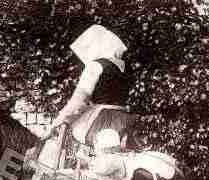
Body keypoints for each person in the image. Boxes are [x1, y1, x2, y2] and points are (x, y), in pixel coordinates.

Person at [40, 24, 138, 168]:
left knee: (66, 137)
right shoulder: (125, 68)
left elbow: (78, 102)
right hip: (124, 121)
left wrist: (57, 123)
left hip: (100, 122)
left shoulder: (95, 66)